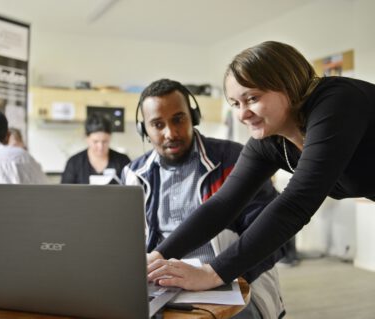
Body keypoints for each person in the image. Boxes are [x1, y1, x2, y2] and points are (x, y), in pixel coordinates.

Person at [147, 41, 375, 292]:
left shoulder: (337, 103)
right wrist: (157, 257)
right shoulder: (269, 140)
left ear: (287, 84)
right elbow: (222, 205)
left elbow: (295, 204)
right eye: (235, 104)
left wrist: (213, 273)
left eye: (252, 98)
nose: (243, 114)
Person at [123, 79, 286, 319]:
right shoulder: (133, 174)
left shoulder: (236, 161)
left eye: (178, 119)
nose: (170, 133)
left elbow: (274, 238)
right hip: (159, 286)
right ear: (144, 130)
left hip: (225, 279)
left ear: (194, 116)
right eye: (158, 124)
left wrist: (220, 275)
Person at [61, 113, 130, 184]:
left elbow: (132, 191)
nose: (100, 146)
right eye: (95, 141)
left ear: (110, 137)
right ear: (86, 138)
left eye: (105, 141)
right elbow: (64, 193)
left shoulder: (122, 161)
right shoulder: (74, 163)